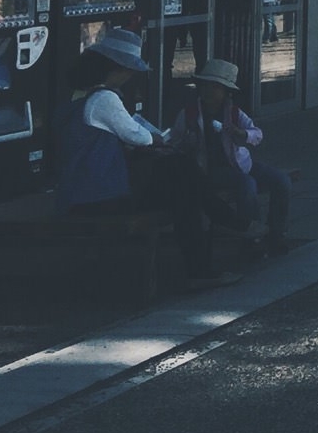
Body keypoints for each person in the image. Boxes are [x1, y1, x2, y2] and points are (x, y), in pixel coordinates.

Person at [55, 29, 225, 284]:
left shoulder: (83, 94)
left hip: (80, 191)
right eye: (129, 69)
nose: (131, 75)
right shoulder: (105, 99)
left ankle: (203, 262)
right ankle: (210, 248)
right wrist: (157, 138)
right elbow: (138, 136)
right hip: (102, 193)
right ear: (117, 68)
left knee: (182, 183)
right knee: (182, 182)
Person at [168, 58, 293, 255]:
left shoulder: (234, 113)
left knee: (282, 181)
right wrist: (188, 142)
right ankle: (253, 236)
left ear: (226, 91)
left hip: (241, 164)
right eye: (205, 86)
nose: (209, 91)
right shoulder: (189, 114)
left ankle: (277, 232)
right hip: (211, 170)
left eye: (215, 87)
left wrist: (242, 134)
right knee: (246, 184)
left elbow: (256, 133)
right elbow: (174, 143)